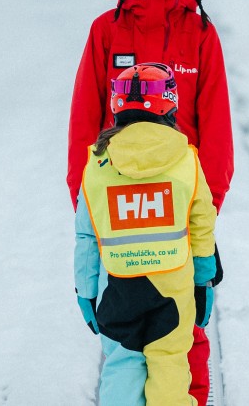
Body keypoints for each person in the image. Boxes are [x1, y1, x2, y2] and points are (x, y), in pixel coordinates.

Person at [67, 0, 232, 406]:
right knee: (123, 336)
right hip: (117, 211)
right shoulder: (105, 32)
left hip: (179, 207)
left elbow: (217, 129)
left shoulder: (201, 33)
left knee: (184, 336)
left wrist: (206, 206)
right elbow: (84, 123)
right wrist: (87, 205)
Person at [74, 63, 218, 406]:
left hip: (119, 290)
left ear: (115, 106)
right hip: (173, 289)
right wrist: (204, 279)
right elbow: (202, 222)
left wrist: (86, 289)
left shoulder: (97, 164)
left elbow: (86, 236)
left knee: (122, 367)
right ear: (170, 104)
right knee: (169, 367)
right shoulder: (185, 158)